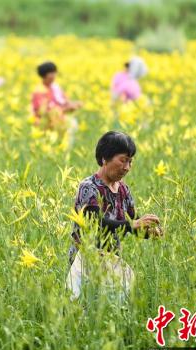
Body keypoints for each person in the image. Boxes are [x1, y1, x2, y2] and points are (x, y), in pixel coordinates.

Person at [67, 131, 162, 299]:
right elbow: (95, 223)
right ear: (105, 158)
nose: (127, 167)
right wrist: (133, 225)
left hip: (111, 263)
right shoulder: (89, 187)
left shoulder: (124, 190)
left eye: (130, 162)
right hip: (85, 264)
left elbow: (132, 223)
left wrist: (148, 231)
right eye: (123, 160)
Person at [31, 61, 83, 145]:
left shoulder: (55, 87)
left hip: (59, 120)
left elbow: (64, 101)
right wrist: (66, 109)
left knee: (71, 129)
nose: (54, 75)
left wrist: (73, 104)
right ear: (44, 75)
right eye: (51, 73)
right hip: (46, 124)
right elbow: (44, 111)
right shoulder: (39, 91)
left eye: (54, 72)